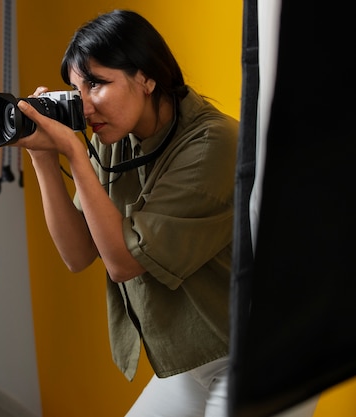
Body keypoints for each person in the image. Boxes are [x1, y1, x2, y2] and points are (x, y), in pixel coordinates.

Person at [13, 9, 239, 417]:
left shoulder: (213, 144)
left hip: (259, 354)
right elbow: (78, 254)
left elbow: (123, 263)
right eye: (76, 88)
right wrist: (43, 157)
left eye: (96, 83)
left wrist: (75, 153)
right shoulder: (115, 136)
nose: (83, 105)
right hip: (194, 357)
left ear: (147, 77)